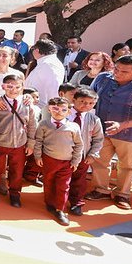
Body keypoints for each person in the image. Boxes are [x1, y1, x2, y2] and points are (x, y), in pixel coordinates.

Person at [86, 55, 132, 210]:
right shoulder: (103, 78)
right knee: (100, 161)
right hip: (101, 130)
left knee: (128, 165)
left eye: (124, 71)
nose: (118, 73)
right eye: (116, 69)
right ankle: (100, 189)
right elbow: (89, 97)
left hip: (129, 134)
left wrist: (122, 125)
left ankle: (123, 194)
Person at [34, 97, 83, 226]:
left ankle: (60, 209)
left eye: (63, 110)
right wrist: (38, 156)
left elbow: (79, 145)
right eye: (55, 109)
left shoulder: (74, 127)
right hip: (49, 159)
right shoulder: (44, 124)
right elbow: (38, 141)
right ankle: (49, 203)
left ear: (69, 112)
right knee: (48, 182)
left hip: (66, 162)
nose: (59, 112)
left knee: (63, 186)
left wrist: (76, 161)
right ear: (49, 109)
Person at [0, 75, 37, 207]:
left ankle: (15, 194)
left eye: (17, 87)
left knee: (17, 171)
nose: (13, 90)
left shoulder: (27, 103)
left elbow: (32, 124)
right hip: (0, 142)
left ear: (22, 87)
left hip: (20, 143)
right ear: (3, 87)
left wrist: (31, 143)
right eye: (9, 86)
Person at [66, 88, 104, 216]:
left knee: (79, 180)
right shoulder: (63, 113)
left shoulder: (94, 119)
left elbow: (98, 139)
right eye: (82, 101)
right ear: (74, 100)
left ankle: (76, 202)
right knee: (59, 178)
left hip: (82, 155)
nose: (86, 105)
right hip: (62, 154)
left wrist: (93, 154)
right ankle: (56, 201)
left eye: (91, 103)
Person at [24, 39, 65, 109]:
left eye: (33, 49)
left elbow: (54, 88)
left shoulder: (50, 64)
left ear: (37, 50)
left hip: (42, 107)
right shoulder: (44, 62)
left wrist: (52, 108)